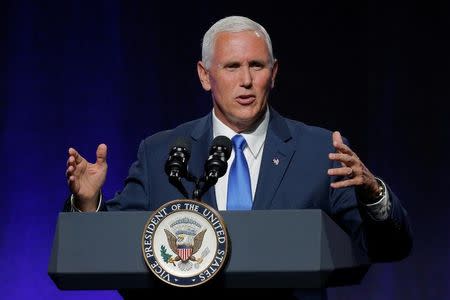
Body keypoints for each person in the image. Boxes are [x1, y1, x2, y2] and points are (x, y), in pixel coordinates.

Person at [64, 16, 412, 299]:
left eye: (256, 66)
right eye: (232, 67)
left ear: (273, 74)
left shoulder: (319, 150)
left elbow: (388, 247)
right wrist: (88, 204)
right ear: (205, 75)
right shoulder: (161, 153)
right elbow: (112, 250)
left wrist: (373, 194)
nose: (246, 80)